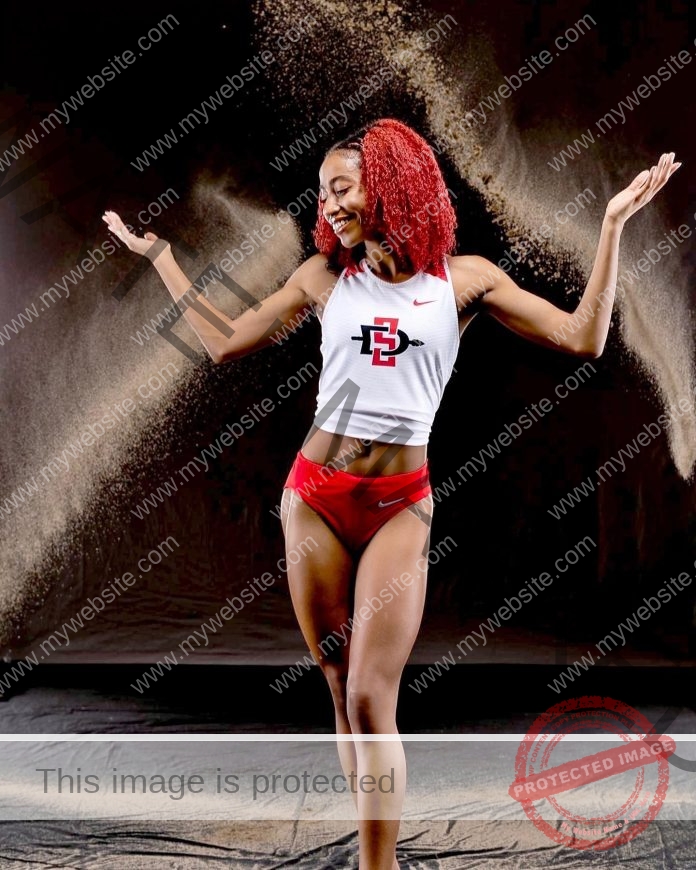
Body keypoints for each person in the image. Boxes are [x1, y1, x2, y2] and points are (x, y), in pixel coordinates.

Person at [102, 117, 679, 870]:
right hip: (313, 499)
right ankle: (373, 836)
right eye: (322, 193)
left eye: (342, 187)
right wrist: (164, 260)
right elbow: (225, 340)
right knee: (340, 684)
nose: (330, 204)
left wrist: (611, 228)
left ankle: (381, 866)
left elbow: (582, 338)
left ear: (391, 182)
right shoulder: (324, 278)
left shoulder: (463, 280)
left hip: (401, 504)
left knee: (374, 695)